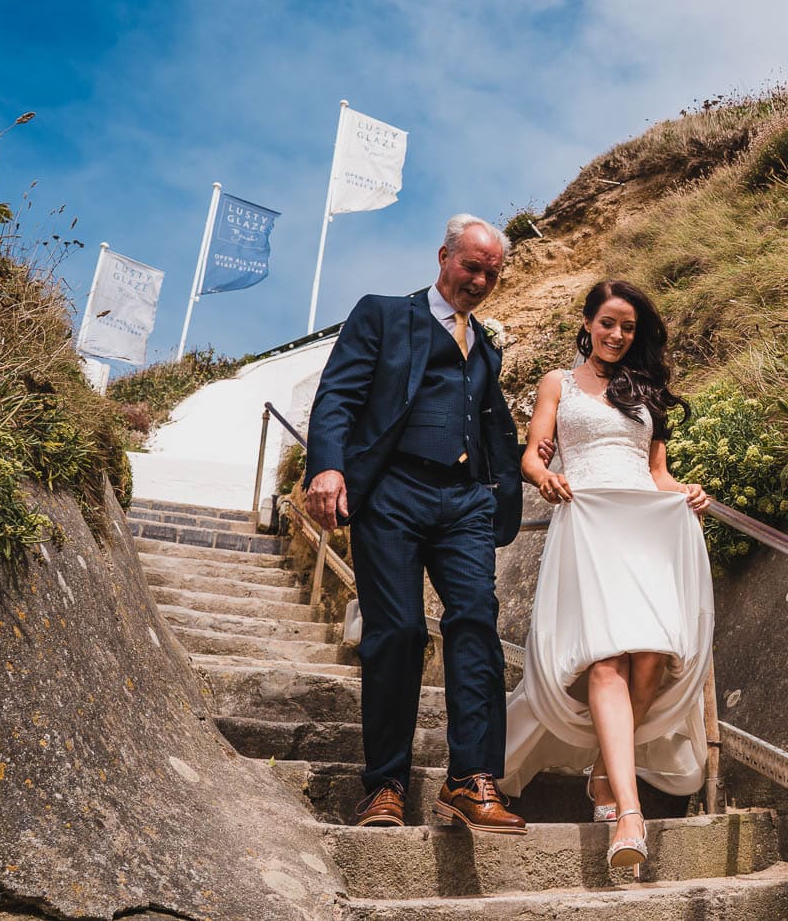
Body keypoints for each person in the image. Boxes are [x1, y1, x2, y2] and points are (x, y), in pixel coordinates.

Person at [304, 214, 529, 833]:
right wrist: (327, 467)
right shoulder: (382, 314)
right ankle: (385, 786)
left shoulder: (486, 344)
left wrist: (508, 479)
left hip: (464, 503)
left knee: (477, 622)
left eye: (491, 272)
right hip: (393, 491)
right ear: (443, 257)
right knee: (398, 632)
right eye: (471, 265)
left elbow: (485, 421)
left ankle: (470, 780)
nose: (480, 279)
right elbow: (338, 396)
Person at [501, 279, 713, 871]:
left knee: (652, 656)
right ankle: (629, 811)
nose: (618, 335)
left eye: (628, 327)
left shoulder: (646, 390)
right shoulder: (557, 384)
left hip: (644, 524)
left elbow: (658, 473)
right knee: (606, 659)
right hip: (589, 521)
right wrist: (544, 478)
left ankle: (601, 772)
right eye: (608, 323)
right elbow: (532, 452)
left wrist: (686, 491)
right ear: (588, 322)